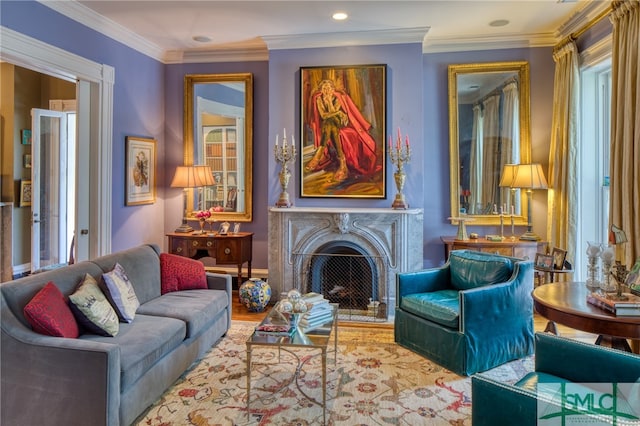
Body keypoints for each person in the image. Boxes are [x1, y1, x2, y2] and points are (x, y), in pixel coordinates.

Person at [305, 79, 378, 182]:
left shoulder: (337, 98)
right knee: (329, 122)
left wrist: (330, 102)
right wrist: (339, 113)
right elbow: (324, 115)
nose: (326, 90)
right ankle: (342, 162)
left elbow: (332, 113)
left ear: (332, 89)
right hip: (330, 122)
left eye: (329, 88)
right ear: (321, 90)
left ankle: (319, 152)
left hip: (340, 123)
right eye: (324, 88)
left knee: (331, 121)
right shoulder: (318, 99)